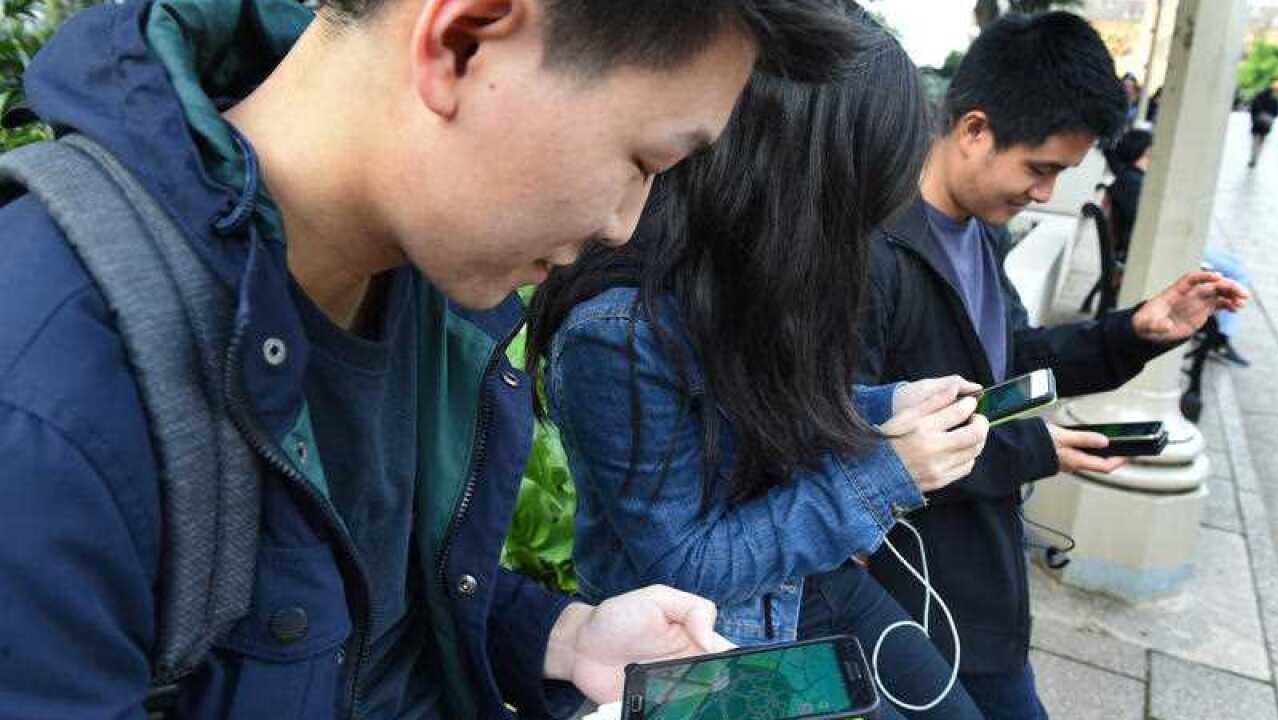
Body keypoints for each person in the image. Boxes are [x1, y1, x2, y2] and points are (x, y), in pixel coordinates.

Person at [0, 0, 868, 716]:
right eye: (645, 162)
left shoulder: (425, 284)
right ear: (460, 42)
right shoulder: (47, 389)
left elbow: (368, 613)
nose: (624, 227)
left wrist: (561, 639)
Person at [527, 13, 990, 719]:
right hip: (704, 644)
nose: (861, 241)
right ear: (798, 187)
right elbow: (686, 566)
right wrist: (887, 477)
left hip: (803, 587)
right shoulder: (618, 333)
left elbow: (771, 411)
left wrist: (884, 406)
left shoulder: (756, 279)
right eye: (853, 211)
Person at [854, 12, 1250, 720]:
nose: (1045, 195)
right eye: (1041, 170)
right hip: (916, 597)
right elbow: (859, 444)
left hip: (985, 585)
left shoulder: (977, 232)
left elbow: (1019, 362)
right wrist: (1036, 449)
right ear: (974, 128)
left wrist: (1135, 332)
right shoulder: (873, 252)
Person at [1107, 128, 1253, 367]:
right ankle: (1220, 338)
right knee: (1237, 274)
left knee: (1235, 265)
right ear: (1146, 151)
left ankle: (1219, 335)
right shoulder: (1135, 184)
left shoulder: (1131, 180)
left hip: (1152, 247)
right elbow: (1150, 229)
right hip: (1156, 251)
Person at [1249, 79, 1278, 168]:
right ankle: (1256, 158)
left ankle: (1253, 157)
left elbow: (1253, 109)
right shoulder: (1275, 100)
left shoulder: (1259, 96)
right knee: (1261, 141)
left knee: (1255, 141)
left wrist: (1254, 118)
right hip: (1266, 124)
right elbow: (1276, 112)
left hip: (1257, 122)